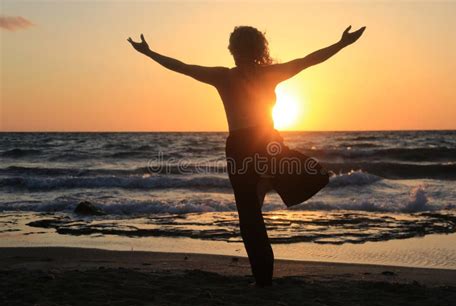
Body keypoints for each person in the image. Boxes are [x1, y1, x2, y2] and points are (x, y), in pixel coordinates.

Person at [128, 25, 365, 287]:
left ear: (233, 49)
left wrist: (149, 53)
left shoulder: (223, 76)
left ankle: (263, 278)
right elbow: (309, 60)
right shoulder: (266, 74)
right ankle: (268, 182)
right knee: (312, 177)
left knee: (250, 217)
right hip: (266, 143)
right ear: (260, 49)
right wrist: (342, 43)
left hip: (242, 146)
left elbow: (181, 66)